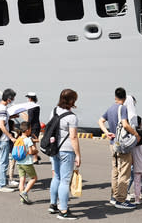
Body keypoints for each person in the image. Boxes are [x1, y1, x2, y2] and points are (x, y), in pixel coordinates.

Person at [98, 87, 139, 210]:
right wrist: (136, 134)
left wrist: (106, 132)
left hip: (112, 143)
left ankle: (113, 196)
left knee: (115, 170)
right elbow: (125, 124)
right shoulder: (123, 108)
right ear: (125, 98)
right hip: (122, 144)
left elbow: (100, 121)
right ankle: (121, 200)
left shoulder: (110, 108)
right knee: (124, 171)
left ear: (115, 97)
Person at [47, 88, 81, 220]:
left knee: (56, 177)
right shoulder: (72, 117)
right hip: (67, 150)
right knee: (65, 181)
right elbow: (73, 137)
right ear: (71, 100)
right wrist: (78, 155)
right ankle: (64, 210)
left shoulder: (54, 110)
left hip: (54, 149)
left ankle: (53, 204)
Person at [15, 121, 38, 205]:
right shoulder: (28, 140)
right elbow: (31, 152)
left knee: (22, 179)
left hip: (19, 162)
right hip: (27, 162)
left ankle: (22, 199)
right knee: (34, 178)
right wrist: (36, 150)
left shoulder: (18, 139)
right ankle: (24, 193)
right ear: (28, 130)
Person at [24, 92, 41, 163]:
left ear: (30, 98)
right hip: (36, 126)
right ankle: (35, 156)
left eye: (28, 98)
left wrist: (27, 126)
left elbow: (30, 118)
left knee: (32, 142)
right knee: (32, 142)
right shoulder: (37, 106)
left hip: (32, 127)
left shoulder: (31, 107)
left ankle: (35, 158)